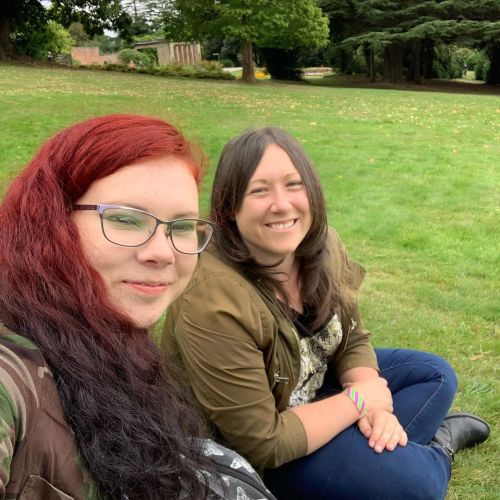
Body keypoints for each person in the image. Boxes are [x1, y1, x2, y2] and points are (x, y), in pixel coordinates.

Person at [164, 127, 490, 499]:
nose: (282, 204)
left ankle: (370, 449)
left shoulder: (321, 244)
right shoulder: (212, 298)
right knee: (418, 486)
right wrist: (359, 402)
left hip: (313, 393)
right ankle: (439, 448)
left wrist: (374, 404)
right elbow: (261, 442)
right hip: (262, 455)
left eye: (293, 184)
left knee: (434, 375)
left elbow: (351, 335)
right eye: (259, 190)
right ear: (229, 208)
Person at [0, 115, 275, 499]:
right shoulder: (11, 371)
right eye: (126, 219)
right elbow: (269, 440)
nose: (163, 253)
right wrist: (358, 401)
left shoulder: (113, 337)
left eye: (181, 227)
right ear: (51, 222)